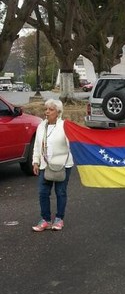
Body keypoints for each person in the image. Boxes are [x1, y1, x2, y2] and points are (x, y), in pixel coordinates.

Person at [32, 99, 74, 232]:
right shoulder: (41, 126)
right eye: (46, 109)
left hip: (62, 165)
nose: (47, 112)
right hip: (45, 165)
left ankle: (59, 219)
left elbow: (72, 145)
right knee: (43, 193)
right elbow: (37, 146)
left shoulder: (64, 126)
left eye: (51, 109)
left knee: (60, 192)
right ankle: (45, 220)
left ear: (58, 112)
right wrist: (35, 161)